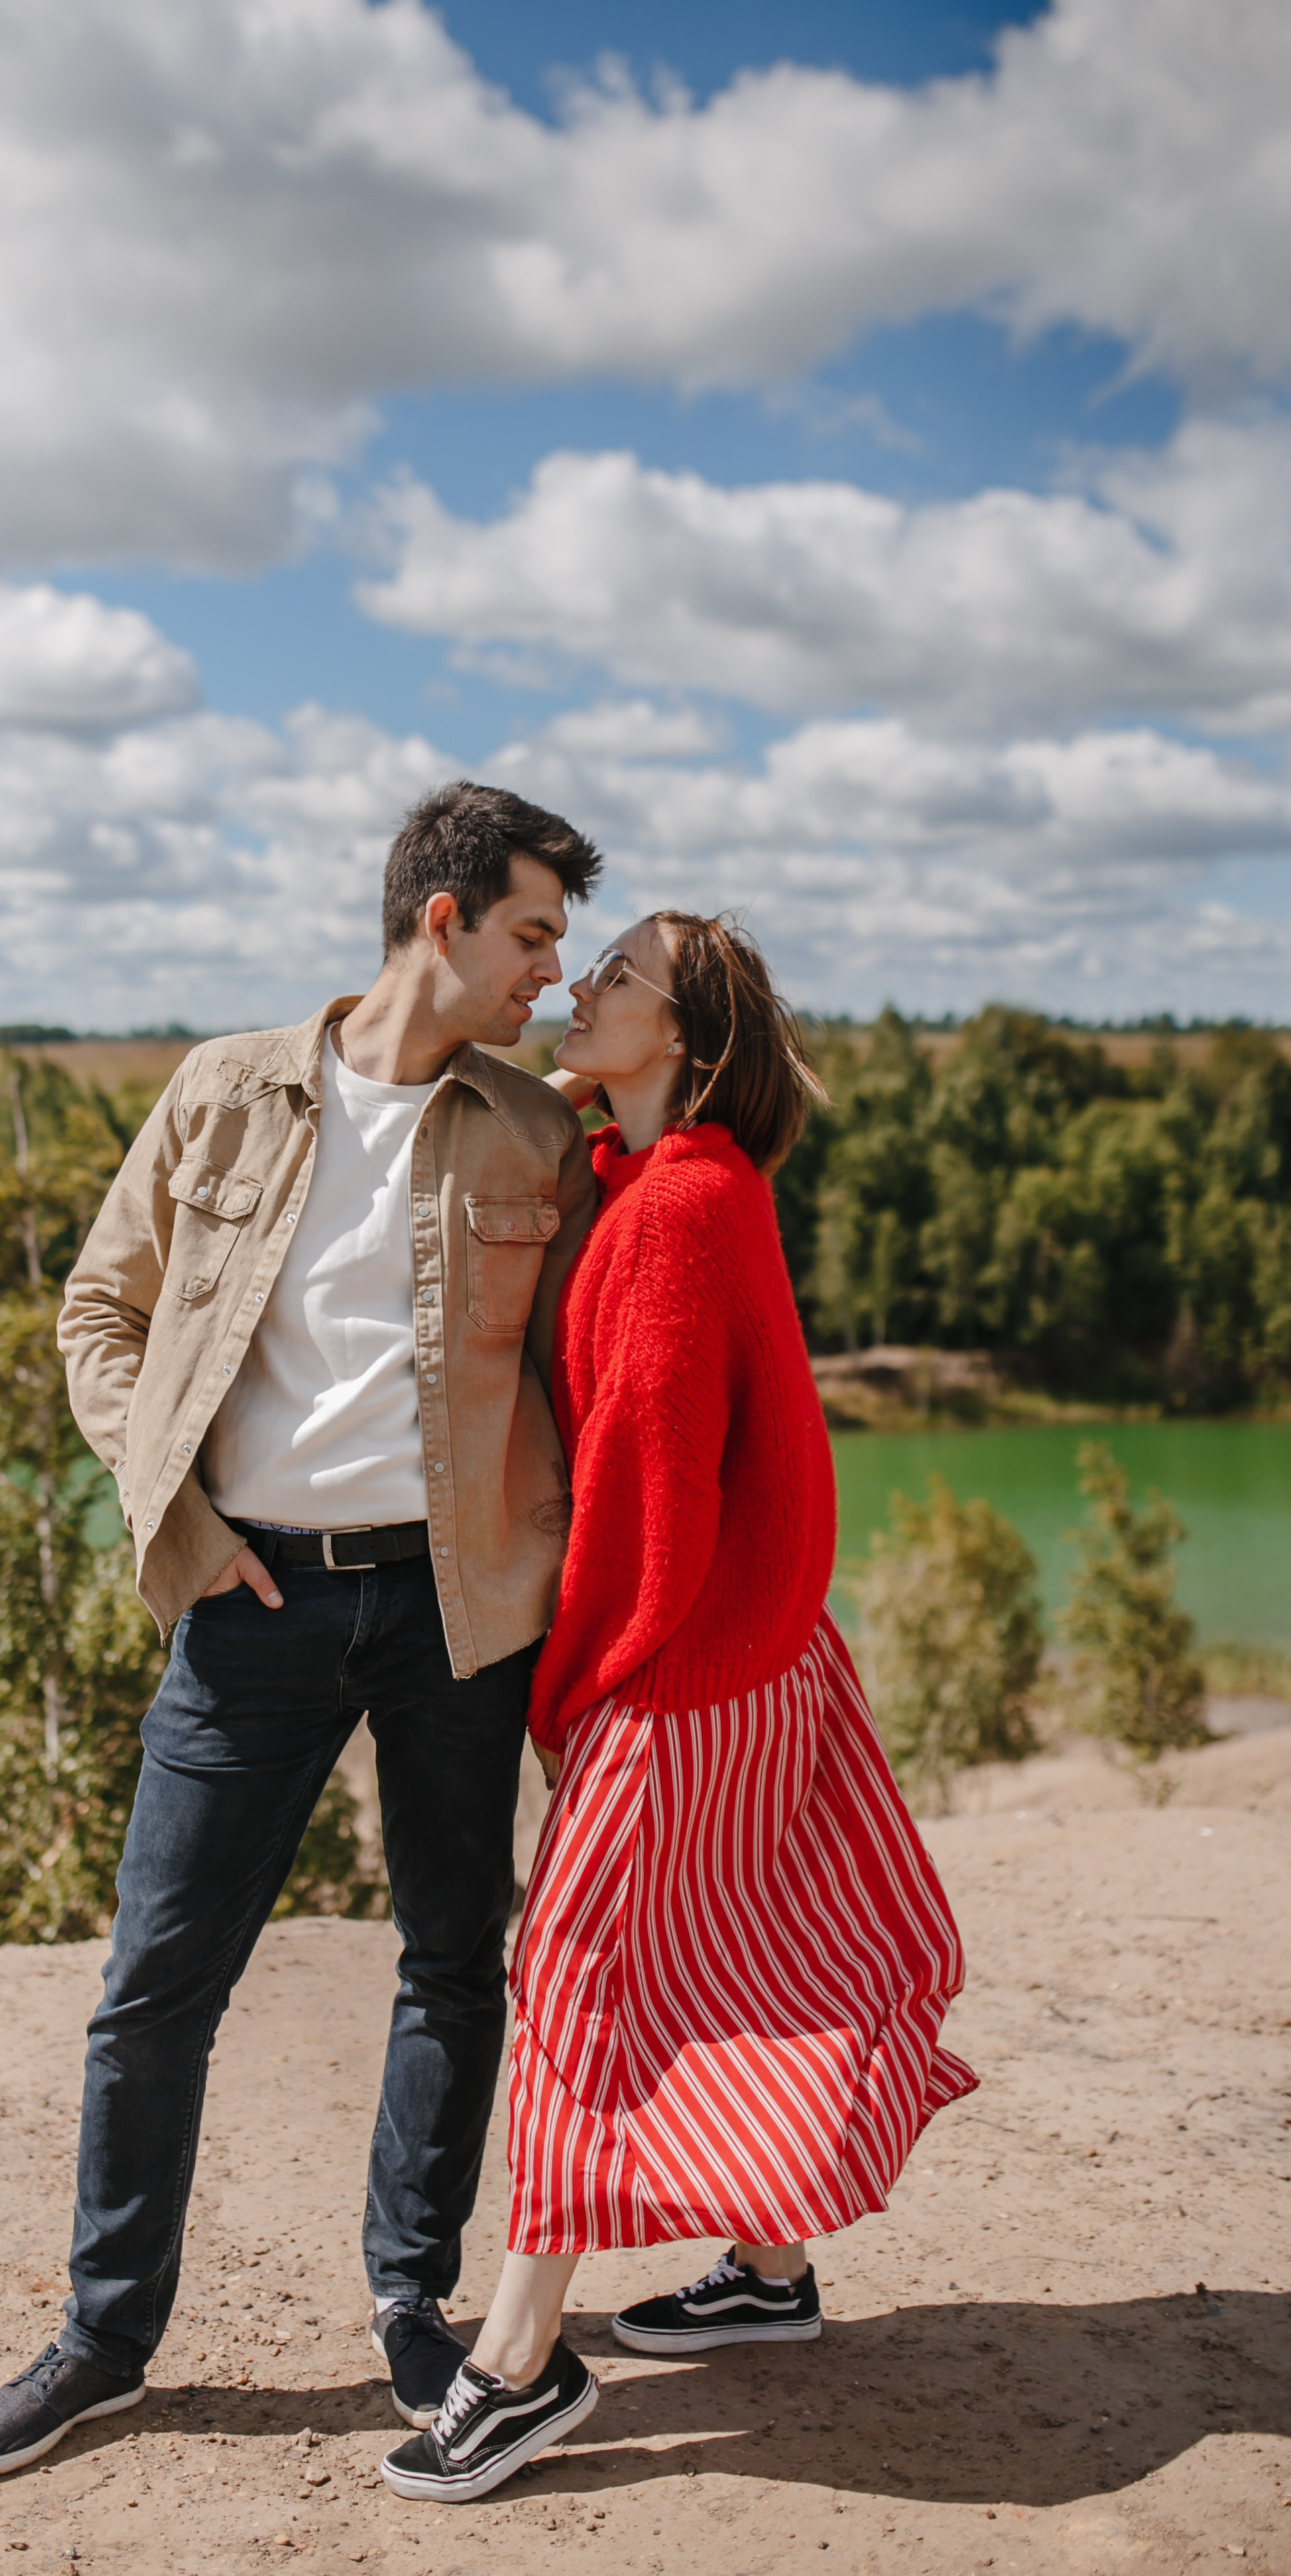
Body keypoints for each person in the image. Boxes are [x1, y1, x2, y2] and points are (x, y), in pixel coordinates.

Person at [0, 782, 603, 2478]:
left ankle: (412, 2302)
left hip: (463, 1607)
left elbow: (588, 1379)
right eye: (533, 932)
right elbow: (104, 1308)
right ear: (439, 920)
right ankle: (102, 2336)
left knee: (457, 1961)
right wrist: (169, 1503)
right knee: (156, 1983)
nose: (551, 968)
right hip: (254, 1599)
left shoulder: (535, 1134)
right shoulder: (222, 1090)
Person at [381, 912, 977, 2504]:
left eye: (617, 979)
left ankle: (516, 2366)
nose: (581, 990)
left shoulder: (669, 1216)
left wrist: (576, 1693)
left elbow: (647, 1497)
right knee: (742, 1942)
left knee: (574, 1979)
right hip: (755, 1652)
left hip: (682, 1662)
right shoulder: (671, 1181)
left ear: (691, 1043)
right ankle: (769, 2268)